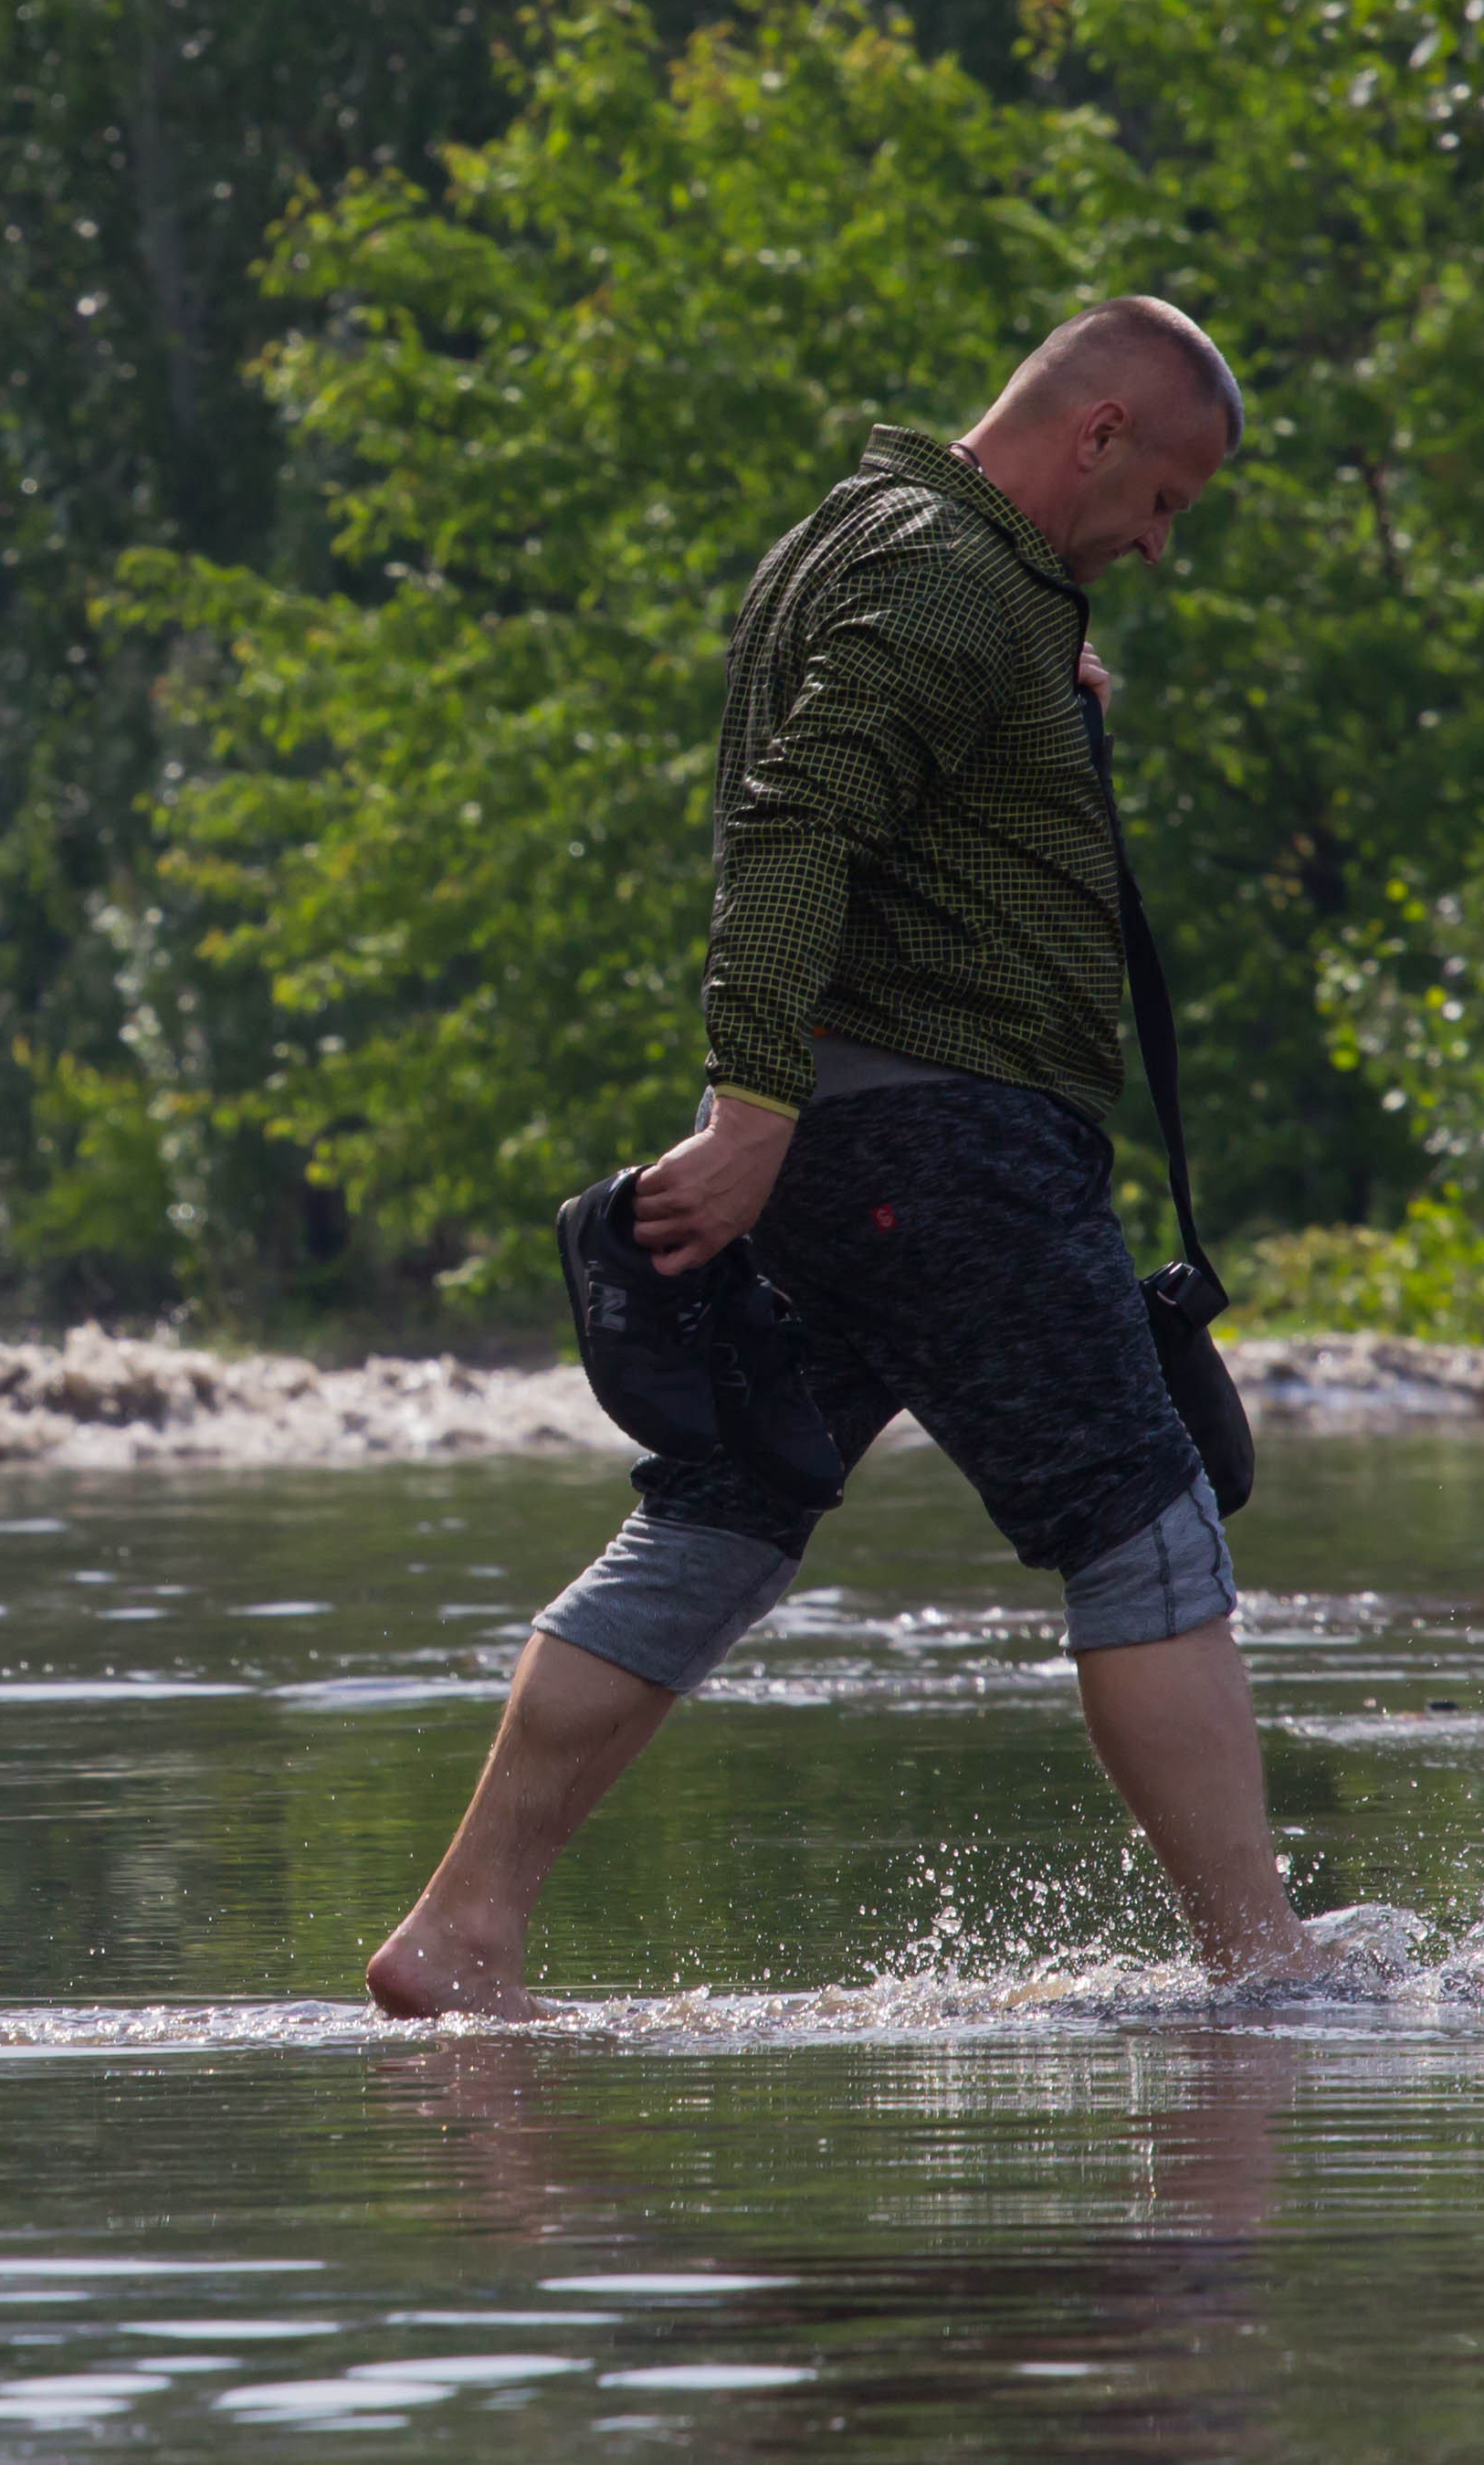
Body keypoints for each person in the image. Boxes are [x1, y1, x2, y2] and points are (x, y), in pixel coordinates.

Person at [367, 296, 1344, 2017]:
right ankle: (1265, 1975)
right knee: (1140, 1520)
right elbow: (798, 819)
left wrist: (1041, 696)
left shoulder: (890, 548)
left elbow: (890, 774)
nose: (1160, 543)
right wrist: (745, 1108)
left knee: (731, 1508)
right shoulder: (952, 581)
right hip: (935, 1142)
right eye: (1166, 499)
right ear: (1099, 431)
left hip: (874, 1146)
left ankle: (462, 1937)